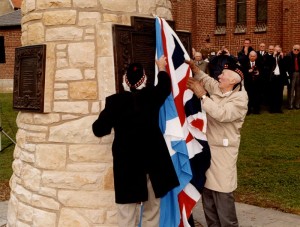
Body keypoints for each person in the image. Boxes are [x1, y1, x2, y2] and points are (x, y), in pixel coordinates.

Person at [92, 55, 179, 227]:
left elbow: (98, 129)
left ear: (125, 81)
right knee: (152, 211)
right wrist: (161, 67)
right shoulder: (152, 96)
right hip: (153, 161)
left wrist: (108, 117)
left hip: (127, 164)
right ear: (144, 80)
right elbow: (164, 86)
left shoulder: (114, 102)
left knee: (126, 214)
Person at [186, 60, 248, 227]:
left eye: (223, 75)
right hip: (207, 152)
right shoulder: (221, 88)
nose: (219, 76)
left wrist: (203, 96)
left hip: (223, 156)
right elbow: (208, 81)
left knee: (223, 201)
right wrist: (196, 70)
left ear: (233, 81)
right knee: (209, 205)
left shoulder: (240, 100)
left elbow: (221, 114)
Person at [266, 45, 286, 113]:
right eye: (276, 50)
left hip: (280, 78)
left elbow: (284, 67)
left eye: (278, 50)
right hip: (273, 78)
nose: (277, 52)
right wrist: (273, 56)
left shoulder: (283, 57)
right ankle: (272, 108)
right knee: (272, 93)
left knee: (279, 94)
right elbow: (268, 64)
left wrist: (282, 57)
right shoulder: (270, 57)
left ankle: (278, 108)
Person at [284, 44, 300, 109]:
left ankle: (297, 104)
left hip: (299, 74)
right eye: (295, 49)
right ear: (292, 49)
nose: (296, 51)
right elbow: (286, 66)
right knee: (291, 89)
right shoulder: (288, 56)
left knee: (298, 90)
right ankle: (290, 105)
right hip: (291, 74)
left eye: (298, 50)